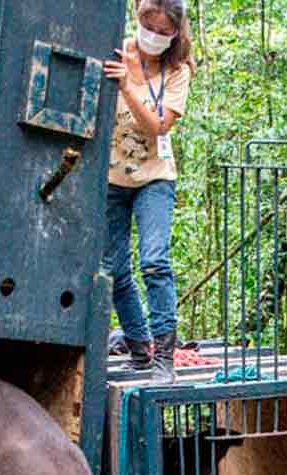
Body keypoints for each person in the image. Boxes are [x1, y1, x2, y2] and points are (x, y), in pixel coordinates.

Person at [101, 0, 194, 383]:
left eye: (162, 30)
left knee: (155, 261)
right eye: (147, 25)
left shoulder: (177, 71)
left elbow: (159, 127)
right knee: (114, 269)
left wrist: (127, 88)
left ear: (175, 32)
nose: (152, 35)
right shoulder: (116, 52)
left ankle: (163, 358)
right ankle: (138, 347)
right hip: (110, 178)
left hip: (155, 176)